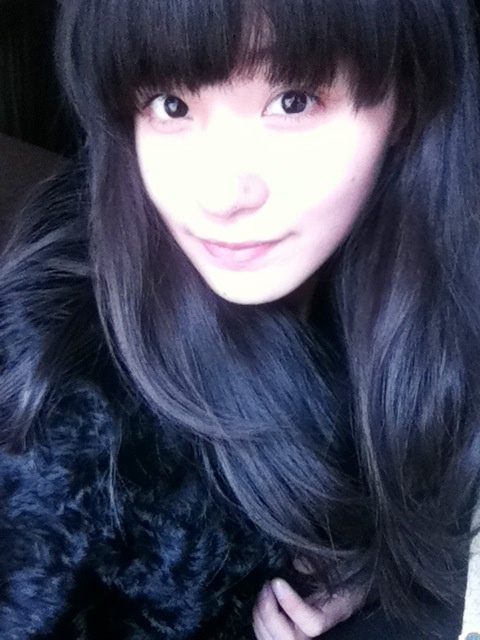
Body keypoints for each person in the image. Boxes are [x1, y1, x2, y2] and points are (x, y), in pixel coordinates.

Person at [0, 0, 479, 638]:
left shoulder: (437, 284)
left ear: (408, 98)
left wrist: (366, 570)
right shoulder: (58, 392)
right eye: (171, 105)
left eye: (294, 101)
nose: (219, 195)